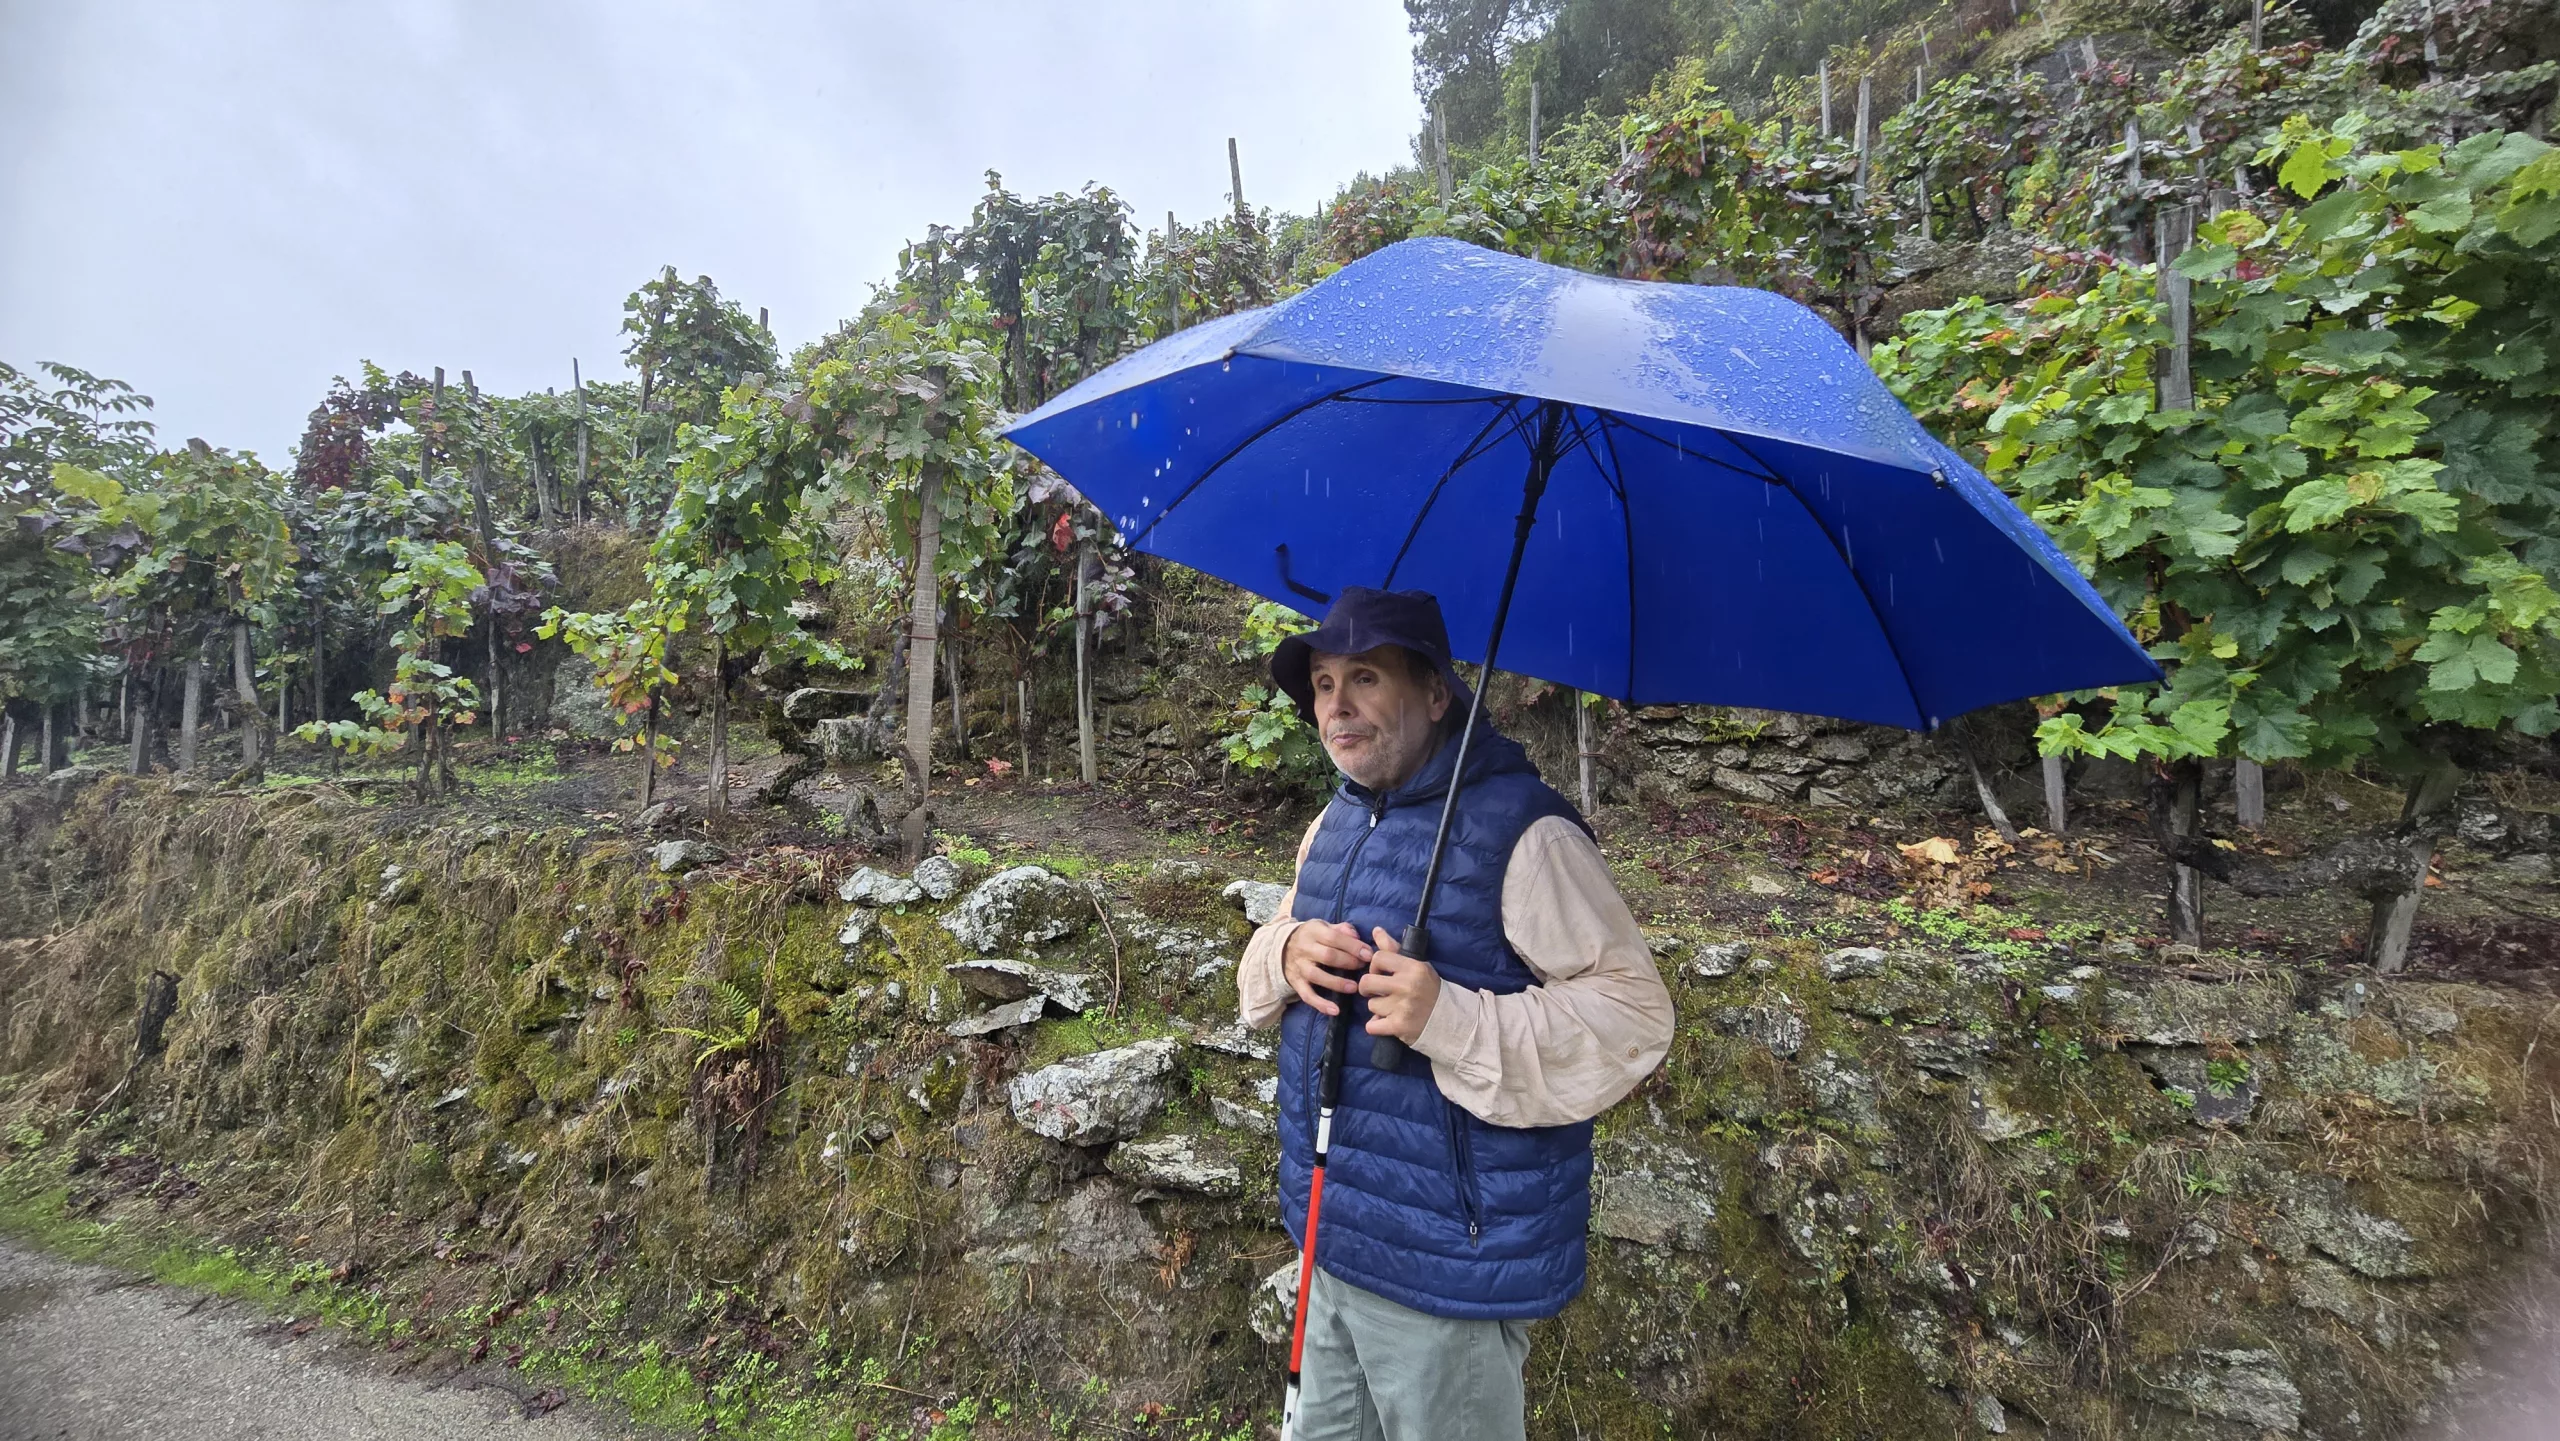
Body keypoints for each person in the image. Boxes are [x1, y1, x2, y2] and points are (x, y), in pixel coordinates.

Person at [1236, 585, 1675, 1441]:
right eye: (1323, 684)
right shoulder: (1335, 822)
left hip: (1447, 1269)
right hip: (1330, 1233)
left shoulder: (1528, 836)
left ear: (1436, 693)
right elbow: (1266, 960)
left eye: (1365, 678)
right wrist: (1283, 951)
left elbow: (1633, 1015)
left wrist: (1450, 1017)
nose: (1336, 705)